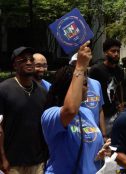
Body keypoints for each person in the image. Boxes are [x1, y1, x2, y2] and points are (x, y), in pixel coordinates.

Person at [41, 42, 106, 174]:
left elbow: (89, 143)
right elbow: (70, 110)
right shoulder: (50, 114)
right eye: (84, 84)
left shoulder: (87, 112)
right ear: (68, 86)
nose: (88, 88)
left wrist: (101, 151)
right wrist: (80, 67)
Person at [0, 47, 49, 173]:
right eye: (23, 60)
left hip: (38, 162)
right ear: (15, 65)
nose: (28, 62)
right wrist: (2, 158)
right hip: (12, 163)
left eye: (31, 59)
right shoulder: (3, 89)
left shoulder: (43, 92)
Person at [89, 38, 124, 137]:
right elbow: (90, 91)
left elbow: (119, 87)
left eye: (118, 51)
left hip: (115, 112)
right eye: (113, 51)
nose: (116, 54)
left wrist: (121, 104)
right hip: (101, 112)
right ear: (105, 53)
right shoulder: (96, 70)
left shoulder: (119, 71)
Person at [69, 53, 106, 136]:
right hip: (77, 132)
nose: (80, 66)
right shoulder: (69, 84)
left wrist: (103, 134)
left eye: (83, 62)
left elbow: (100, 110)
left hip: (95, 132)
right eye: (77, 63)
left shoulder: (96, 84)